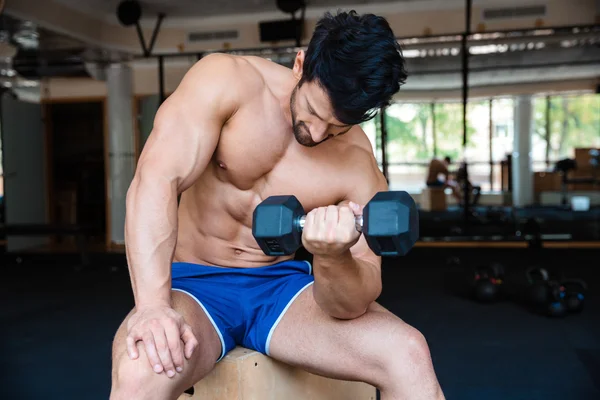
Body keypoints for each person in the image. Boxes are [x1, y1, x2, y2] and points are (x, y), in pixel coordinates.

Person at [110, 11, 445, 400]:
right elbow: (155, 181)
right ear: (300, 64)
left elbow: (353, 302)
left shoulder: (357, 167)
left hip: (281, 290)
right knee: (138, 373)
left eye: (338, 127)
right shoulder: (227, 82)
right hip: (192, 285)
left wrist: (333, 257)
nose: (318, 134)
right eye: (315, 112)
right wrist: (152, 306)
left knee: (408, 354)